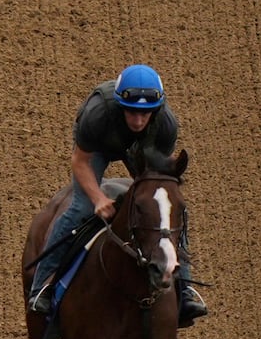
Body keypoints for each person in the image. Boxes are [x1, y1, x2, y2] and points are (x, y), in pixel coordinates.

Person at [27, 63, 206, 325]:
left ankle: (186, 289)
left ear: (156, 111)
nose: (138, 120)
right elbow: (80, 162)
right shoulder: (97, 114)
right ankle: (43, 286)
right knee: (81, 208)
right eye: (131, 112)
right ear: (120, 105)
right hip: (99, 148)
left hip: (140, 149)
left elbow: (159, 177)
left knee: (164, 211)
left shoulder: (166, 125)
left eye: (145, 114)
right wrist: (99, 199)